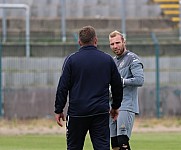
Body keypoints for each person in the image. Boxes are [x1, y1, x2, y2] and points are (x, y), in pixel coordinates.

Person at [54, 26, 123, 150]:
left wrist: (59, 109)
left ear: (79, 42)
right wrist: (115, 106)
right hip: (100, 111)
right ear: (95, 40)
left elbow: (62, 87)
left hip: (77, 113)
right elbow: (117, 85)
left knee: (74, 147)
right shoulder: (107, 60)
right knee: (102, 147)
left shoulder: (71, 60)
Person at [109, 30, 144, 150]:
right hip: (113, 106)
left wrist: (122, 81)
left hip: (126, 105)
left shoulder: (132, 58)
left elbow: (140, 80)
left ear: (124, 42)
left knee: (122, 142)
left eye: (117, 42)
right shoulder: (112, 61)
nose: (115, 46)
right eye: (112, 44)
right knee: (114, 144)